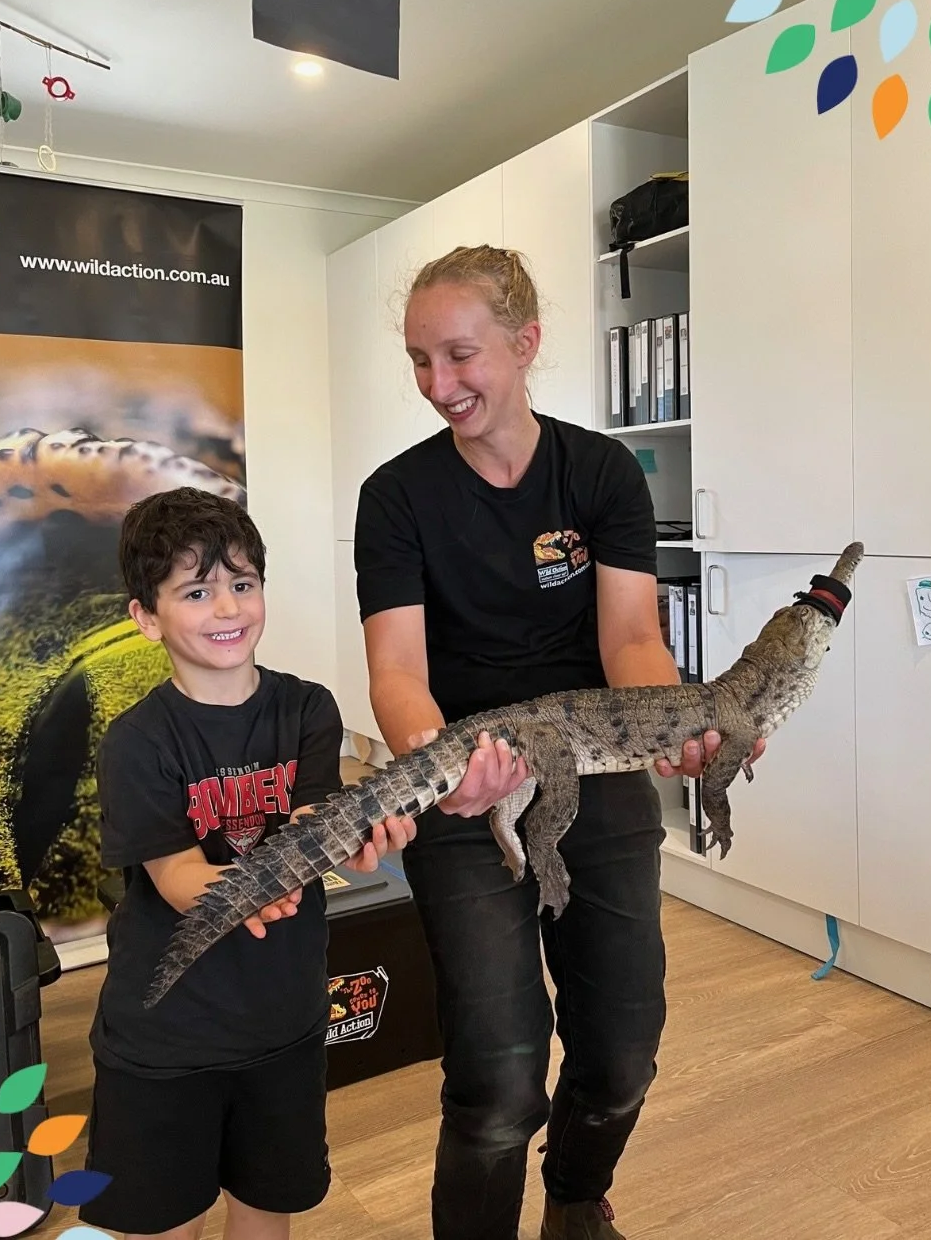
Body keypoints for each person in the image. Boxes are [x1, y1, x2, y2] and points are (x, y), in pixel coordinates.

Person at [352, 245, 763, 1240]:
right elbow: (399, 669)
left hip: (593, 771)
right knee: (497, 1076)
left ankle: (577, 1200)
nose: (437, 385)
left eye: (459, 355)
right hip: (470, 778)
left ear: (526, 343)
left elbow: (629, 637)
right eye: (419, 360)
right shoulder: (398, 497)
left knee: (622, 1050)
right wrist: (444, 767)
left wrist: (677, 722)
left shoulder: (602, 472)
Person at [79, 486, 414, 1240]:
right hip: (166, 1041)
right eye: (196, 591)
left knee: (267, 1207)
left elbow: (317, 832)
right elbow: (176, 877)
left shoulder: (307, 710)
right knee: (166, 1220)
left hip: (285, 1025)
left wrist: (361, 846)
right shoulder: (137, 742)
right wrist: (262, 890)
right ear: (145, 615)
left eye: (242, 584)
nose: (228, 609)